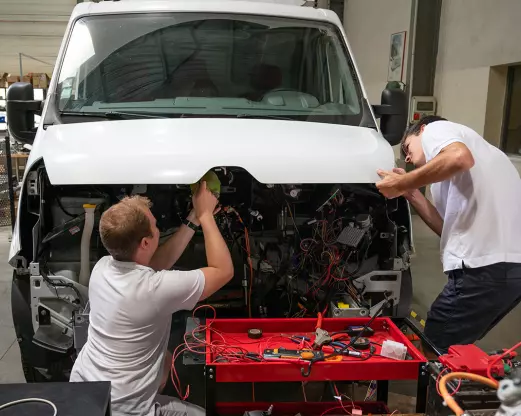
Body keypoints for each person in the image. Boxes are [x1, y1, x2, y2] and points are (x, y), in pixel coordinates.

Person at [70, 182, 233, 416]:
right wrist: (207, 215)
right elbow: (223, 270)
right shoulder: (153, 289)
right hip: (126, 410)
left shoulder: (103, 267)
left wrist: (192, 220)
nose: (158, 227)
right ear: (145, 243)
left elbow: (154, 264)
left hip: (85, 390)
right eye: (155, 226)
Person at [376, 115, 521, 354]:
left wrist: (401, 184)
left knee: (437, 339)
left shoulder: (436, 129)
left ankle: (442, 390)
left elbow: (458, 157)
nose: (409, 158)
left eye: (407, 147)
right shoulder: (478, 161)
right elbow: (447, 230)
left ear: (421, 129)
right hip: (511, 269)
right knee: (455, 345)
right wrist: (411, 192)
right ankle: (456, 386)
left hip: (484, 266)